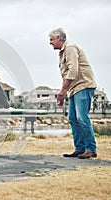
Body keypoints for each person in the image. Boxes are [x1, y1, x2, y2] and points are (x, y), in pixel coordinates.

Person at [49, 28, 97, 159]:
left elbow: (73, 70)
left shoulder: (70, 47)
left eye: (51, 39)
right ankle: (80, 148)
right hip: (74, 88)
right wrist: (63, 92)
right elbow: (67, 75)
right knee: (73, 119)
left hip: (83, 85)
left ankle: (90, 148)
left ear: (59, 38)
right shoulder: (63, 52)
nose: (50, 42)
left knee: (82, 118)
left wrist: (62, 92)